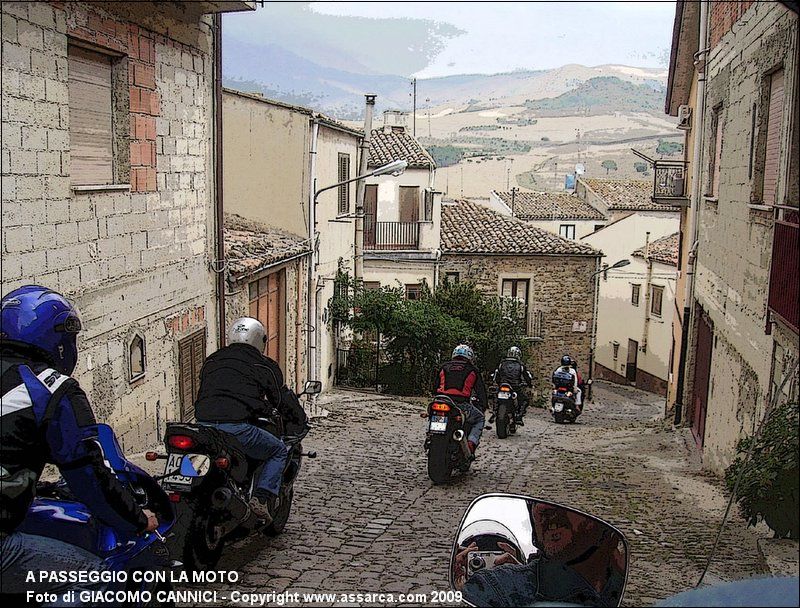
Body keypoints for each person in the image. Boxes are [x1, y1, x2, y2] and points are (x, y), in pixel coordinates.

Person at [1, 285, 158, 603]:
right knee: (93, 579)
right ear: (58, 338)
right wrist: (137, 519)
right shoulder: (50, 389)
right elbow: (88, 475)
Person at [194, 317, 289, 524]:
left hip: (203, 425)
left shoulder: (212, 360)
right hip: (236, 428)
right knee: (278, 450)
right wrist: (297, 419)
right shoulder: (263, 365)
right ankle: (261, 498)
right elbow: (280, 399)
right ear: (260, 340)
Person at [461, 501, 627, 607]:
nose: (541, 507)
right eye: (533, 502)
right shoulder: (495, 587)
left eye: (566, 498)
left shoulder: (622, 579)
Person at [434, 344, 487, 454]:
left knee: (433, 415)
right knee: (479, 419)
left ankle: (431, 436)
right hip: (461, 404)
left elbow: (434, 386)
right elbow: (480, 391)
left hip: (441, 400)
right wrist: (483, 404)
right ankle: (471, 443)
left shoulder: (444, 367)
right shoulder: (472, 370)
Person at [491, 346, 533, 425]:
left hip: (503, 385)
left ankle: (494, 412)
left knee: (496, 396)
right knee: (525, 400)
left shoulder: (502, 363)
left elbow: (496, 375)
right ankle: (519, 416)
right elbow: (527, 377)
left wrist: (499, 383)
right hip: (515, 386)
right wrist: (529, 384)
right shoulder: (520, 365)